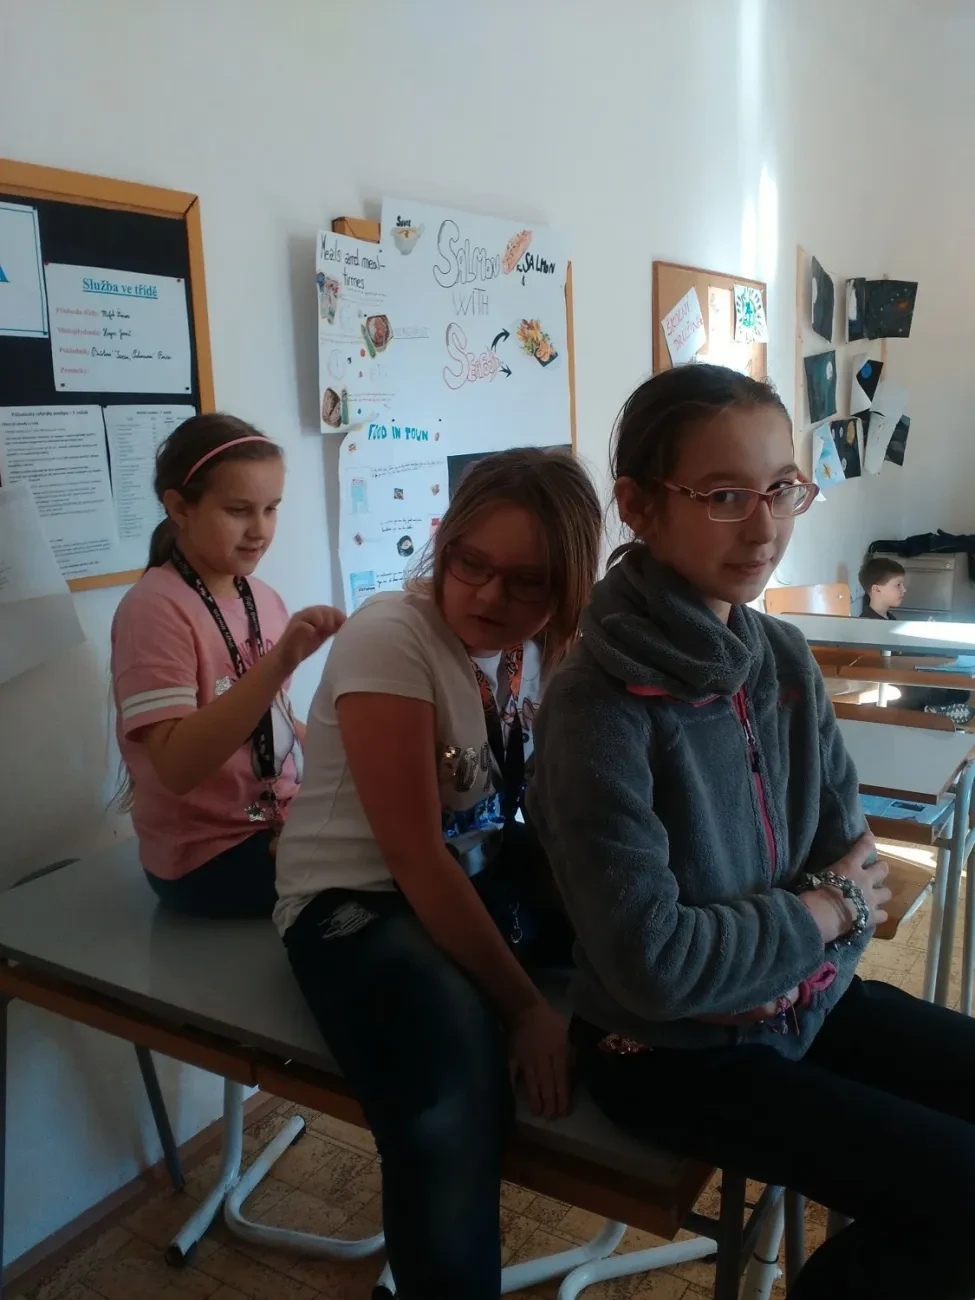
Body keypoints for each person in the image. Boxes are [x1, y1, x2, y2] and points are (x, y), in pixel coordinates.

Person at [527, 364, 975, 1300]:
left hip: (800, 1004)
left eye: (780, 489)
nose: (764, 526)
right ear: (639, 507)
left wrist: (820, 923)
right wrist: (820, 912)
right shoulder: (595, 705)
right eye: (724, 496)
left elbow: (856, 869)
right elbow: (656, 968)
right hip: (667, 1057)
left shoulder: (780, 656)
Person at [274, 448, 602, 1300]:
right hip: (356, 901)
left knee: (635, 934)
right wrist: (523, 1008)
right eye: (471, 564)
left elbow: (549, 810)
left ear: (567, 587)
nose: (489, 597)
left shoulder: (544, 647)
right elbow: (414, 857)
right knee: (449, 1103)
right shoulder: (391, 635)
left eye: (527, 582)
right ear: (444, 545)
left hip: (474, 869)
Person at [111, 413, 344, 918]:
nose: (260, 530)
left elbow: (273, 725)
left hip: (277, 823)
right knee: (396, 863)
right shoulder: (153, 609)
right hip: (206, 858)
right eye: (239, 510)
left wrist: (349, 747)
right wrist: (278, 663)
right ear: (180, 508)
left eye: (271, 509)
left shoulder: (263, 597)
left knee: (413, 820)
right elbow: (177, 768)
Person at [858, 555, 970, 718]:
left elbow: (903, 652)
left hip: (903, 677)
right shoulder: (870, 625)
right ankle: (926, 711)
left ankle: (929, 709)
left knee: (959, 688)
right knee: (954, 691)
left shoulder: (888, 618)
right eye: (898, 585)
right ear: (876, 589)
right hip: (894, 687)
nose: (904, 589)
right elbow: (893, 665)